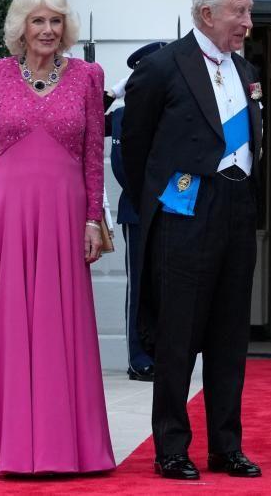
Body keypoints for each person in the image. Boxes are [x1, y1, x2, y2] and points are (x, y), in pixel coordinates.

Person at [0, 0, 115, 474]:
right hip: (5, 213)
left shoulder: (87, 76)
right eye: (38, 20)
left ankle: (66, 447)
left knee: (61, 325)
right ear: (20, 27)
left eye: (55, 21)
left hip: (63, 214)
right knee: (4, 323)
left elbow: (92, 158)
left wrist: (92, 221)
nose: (47, 30)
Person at [122, 0, 263, 481]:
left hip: (237, 208)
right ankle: (172, 448)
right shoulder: (163, 67)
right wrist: (161, 201)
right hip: (185, 212)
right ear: (207, 14)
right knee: (178, 336)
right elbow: (134, 149)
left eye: (248, 12)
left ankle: (227, 447)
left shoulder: (246, 67)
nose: (248, 22)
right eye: (239, 12)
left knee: (230, 337)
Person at [103, 41, 166, 382]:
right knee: (139, 285)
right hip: (137, 212)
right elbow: (85, 115)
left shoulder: (171, 112)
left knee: (168, 286)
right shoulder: (121, 116)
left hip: (172, 209)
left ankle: (164, 353)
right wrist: (116, 91)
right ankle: (138, 356)